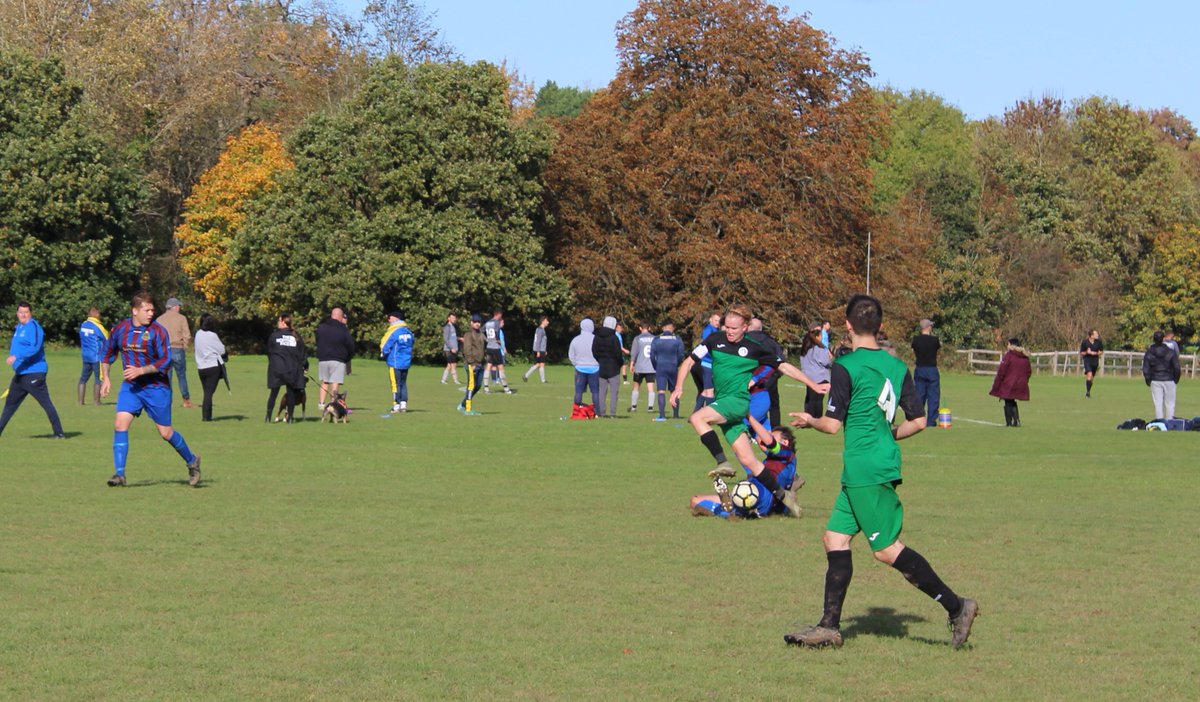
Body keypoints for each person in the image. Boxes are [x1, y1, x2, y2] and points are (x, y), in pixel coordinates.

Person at [786, 294, 977, 649]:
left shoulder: (846, 366)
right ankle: (828, 626)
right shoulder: (897, 367)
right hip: (874, 464)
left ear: (846, 325)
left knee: (886, 549)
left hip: (865, 469)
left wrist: (810, 420)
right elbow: (919, 420)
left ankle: (957, 606)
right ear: (880, 326)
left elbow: (831, 426)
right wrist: (890, 435)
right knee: (835, 539)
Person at [669, 305, 821, 517]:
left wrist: (813, 385)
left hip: (738, 402)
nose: (729, 331)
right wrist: (678, 387)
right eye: (727, 326)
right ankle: (784, 497)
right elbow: (688, 362)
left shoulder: (754, 348)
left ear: (746, 327)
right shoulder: (714, 341)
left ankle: (722, 462)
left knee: (697, 417)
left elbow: (784, 367)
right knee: (749, 460)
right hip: (725, 405)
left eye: (734, 327)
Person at [100, 291, 201, 487]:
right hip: (132, 387)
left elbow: (165, 360)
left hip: (157, 388)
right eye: (147, 310)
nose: (150, 314)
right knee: (120, 423)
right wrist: (106, 379)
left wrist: (141, 370)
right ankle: (119, 474)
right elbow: (106, 353)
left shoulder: (158, 331)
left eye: (152, 310)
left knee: (165, 433)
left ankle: (192, 461)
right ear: (135, 311)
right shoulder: (120, 329)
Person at [691, 420, 801, 519]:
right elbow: (760, 440)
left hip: (763, 494)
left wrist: (750, 417)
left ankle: (732, 510)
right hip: (749, 491)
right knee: (695, 501)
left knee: (745, 495)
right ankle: (730, 511)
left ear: (785, 442)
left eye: (772, 436)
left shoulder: (788, 455)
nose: (768, 437)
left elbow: (769, 442)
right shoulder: (773, 457)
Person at [0, 302, 66, 439]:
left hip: (33, 373)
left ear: (31, 313)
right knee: (10, 405)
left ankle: (59, 433)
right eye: (20, 312)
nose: (23, 315)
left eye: (26, 312)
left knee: (45, 403)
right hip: (20, 374)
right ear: (17, 314)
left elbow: (35, 348)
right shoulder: (19, 328)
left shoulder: (34, 327)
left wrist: (17, 356)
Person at [266, 315, 307, 423]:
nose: (278, 322)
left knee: (273, 393)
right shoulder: (296, 336)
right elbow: (302, 353)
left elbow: (270, 352)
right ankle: (290, 417)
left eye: (279, 320)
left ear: (284, 322)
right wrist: (305, 366)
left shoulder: (274, 336)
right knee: (291, 394)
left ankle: (268, 416)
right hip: (292, 369)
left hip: (277, 369)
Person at [156, 297, 195, 408]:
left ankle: (168, 401)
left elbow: (156, 337)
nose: (180, 308)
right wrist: (185, 346)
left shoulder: (159, 319)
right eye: (179, 306)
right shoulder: (182, 318)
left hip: (164, 351)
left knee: (166, 377)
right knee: (181, 376)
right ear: (174, 307)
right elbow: (187, 335)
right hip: (178, 349)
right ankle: (186, 400)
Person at [316, 306, 355, 409]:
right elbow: (350, 345)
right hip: (338, 359)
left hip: (323, 359)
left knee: (325, 381)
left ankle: (321, 403)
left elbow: (318, 340)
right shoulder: (343, 329)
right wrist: (348, 357)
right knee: (335, 383)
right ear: (341, 317)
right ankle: (333, 404)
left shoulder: (322, 327)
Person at [989, 337, 1031, 427]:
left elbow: (1002, 371)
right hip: (1020, 384)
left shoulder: (1009, 355)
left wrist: (997, 384)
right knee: (1012, 400)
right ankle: (1016, 421)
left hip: (1009, 383)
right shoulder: (1025, 357)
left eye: (1008, 344)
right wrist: (1024, 381)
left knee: (1008, 401)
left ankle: (1009, 422)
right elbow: (1028, 372)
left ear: (1011, 345)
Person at [193, 313, 227, 422]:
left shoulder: (198, 334)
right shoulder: (212, 336)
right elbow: (222, 350)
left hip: (201, 367)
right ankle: (206, 417)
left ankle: (208, 415)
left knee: (207, 392)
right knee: (208, 393)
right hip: (212, 366)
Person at [1142, 330, 1181, 420]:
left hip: (1155, 379)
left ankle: (1160, 423)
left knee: (1158, 403)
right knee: (1170, 404)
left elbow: (1146, 368)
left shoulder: (1149, 352)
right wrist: (1176, 378)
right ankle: (1170, 422)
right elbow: (1176, 367)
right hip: (1169, 379)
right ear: (1163, 339)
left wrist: (1148, 379)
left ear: (1153, 339)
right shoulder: (1170, 352)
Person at [380, 311, 414, 413]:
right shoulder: (408, 332)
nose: (388, 320)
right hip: (406, 362)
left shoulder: (394, 331)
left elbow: (385, 345)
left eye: (389, 318)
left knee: (395, 384)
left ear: (395, 318)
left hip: (394, 362)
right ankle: (404, 404)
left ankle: (396, 405)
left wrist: (384, 354)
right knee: (403, 383)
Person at [650, 322, 685, 421]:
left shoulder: (656, 339)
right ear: (672, 328)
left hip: (660, 366)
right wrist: (676, 364)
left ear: (663, 328)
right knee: (674, 391)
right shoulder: (677, 339)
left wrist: (655, 366)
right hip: (673, 366)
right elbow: (681, 354)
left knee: (661, 391)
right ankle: (676, 414)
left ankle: (662, 415)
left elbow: (652, 355)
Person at [910, 318, 941, 427]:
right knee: (933, 396)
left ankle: (918, 418)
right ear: (928, 327)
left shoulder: (916, 340)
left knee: (919, 394)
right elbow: (937, 349)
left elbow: (913, 349)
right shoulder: (934, 340)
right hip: (932, 369)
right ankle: (931, 421)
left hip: (920, 368)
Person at [799, 323, 832, 419]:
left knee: (809, 397)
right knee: (817, 399)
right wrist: (830, 358)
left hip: (808, 376)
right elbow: (826, 362)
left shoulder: (805, 349)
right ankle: (816, 417)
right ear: (817, 337)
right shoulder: (818, 348)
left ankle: (808, 415)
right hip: (819, 376)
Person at [568, 318, 600, 415]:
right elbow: (600, 353)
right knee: (595, 392)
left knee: (578, 391)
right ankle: (597, 412)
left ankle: (577, 410)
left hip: (580, 368)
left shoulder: (575, 340)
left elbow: (571, 355)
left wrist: (576, 364)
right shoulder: (596, 339)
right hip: (594, 368)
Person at [78, 306, 109, 406]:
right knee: (98, 378)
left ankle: (80, 401)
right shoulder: (98, 326)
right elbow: (107, 338)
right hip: (96, 356)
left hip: (85, 355)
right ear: (95, 314)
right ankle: (97, 401)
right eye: (99, 313)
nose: (100, 315)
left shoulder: (83, 325)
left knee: (83, 379)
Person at [593, 316, 623, 417]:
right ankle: (612, 413)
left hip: (601, 367)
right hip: (613, 368)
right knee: (614, 393)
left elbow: (594, 351)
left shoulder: (597, 337)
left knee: (602, 392)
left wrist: (600, 360)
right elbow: (618, 354)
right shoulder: (614, 338)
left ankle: (601, 412)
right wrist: (620, 363)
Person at [458, 314, 486, 415]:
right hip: (471, 364)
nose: (477, 324)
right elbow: (467, 349)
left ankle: (463, 404)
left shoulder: (481, 334)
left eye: (479, 322)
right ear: (471, 323)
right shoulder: (468, 334)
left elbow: (484, 348)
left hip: (480, 364)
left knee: (478, 386)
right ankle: (468, 409)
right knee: (471, 385)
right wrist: (471, 362)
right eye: (475, 322)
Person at [482, 309, 513, 394]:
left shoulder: (487, 323)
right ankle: (506, 389)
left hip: (489, 347)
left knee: (488, 366)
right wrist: (497, 340)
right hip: (495, 347)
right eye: (501, 315)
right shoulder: (496, 322)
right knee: (501, 367)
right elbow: (496, 332)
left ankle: (486, 388)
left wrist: (487, 340)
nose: (501, 316)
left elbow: (481, 331)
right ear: (498, 314)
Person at [628, 322, 657, 413]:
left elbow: (634, 353)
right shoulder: (654, 338)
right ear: (649, 328)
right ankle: (650, 407)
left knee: (636, 386)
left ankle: (633, 407)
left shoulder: (637, 339)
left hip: (639, 367)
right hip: (651, 367)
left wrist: (632, 363)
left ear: (640, 328)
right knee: (651, 387)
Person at [523, 316, 550, 383]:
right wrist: (538, 351)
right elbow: (538, 341)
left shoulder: (539, 329)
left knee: (538, 364)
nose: (548, 322)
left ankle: (526, 375)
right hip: (540, 350)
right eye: (547, 321)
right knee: (541, 364)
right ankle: (543, 380)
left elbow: (542, 341)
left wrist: (544, 350)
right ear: (543, 321)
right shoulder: (540, 330)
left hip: (541, 349)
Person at [1079, 329, 1103, 398]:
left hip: (1095, 361)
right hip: (1087, 360)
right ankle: (1087, 393)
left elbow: (1101, 351)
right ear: (1091, 336)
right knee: (1089, 375)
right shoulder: (1085, 342)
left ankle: (1088, 391)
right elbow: (1081, 353)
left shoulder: (1099, 342)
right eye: (1096, 334)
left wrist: (1095, 353)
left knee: (1091, 378)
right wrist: (1087, 352)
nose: (1098, 335)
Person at [440, 313, 461, 385]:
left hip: (454, 348)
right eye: (452, 318)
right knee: (453, 364)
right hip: (449, 349)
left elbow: (453, 337)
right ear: (448, 318)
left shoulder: (453, 326)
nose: (454, 319)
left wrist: (460, 338)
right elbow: (446, 339)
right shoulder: (447, 327)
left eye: (455, 318)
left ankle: (443, 379)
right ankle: (455, 380)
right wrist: (451, 348)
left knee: (449, 365)